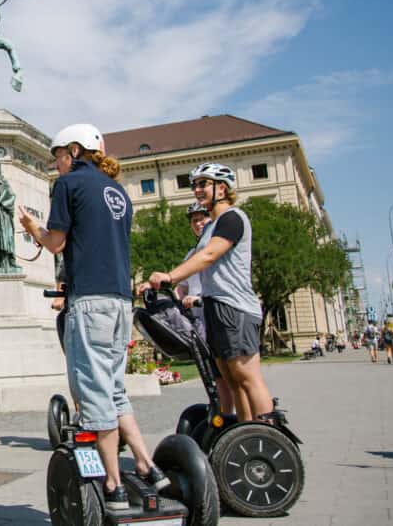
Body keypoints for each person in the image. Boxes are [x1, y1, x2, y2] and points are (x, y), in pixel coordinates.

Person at [19, 123, 169, 511]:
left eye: (57, 157)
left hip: (91, 301)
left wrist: (31, 227)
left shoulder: (69, 185)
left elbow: (56, 243)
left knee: (93, 393)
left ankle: (113, 484)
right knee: (115, 388)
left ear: (73, 151)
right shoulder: (117, 191)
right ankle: (147, 464)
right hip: (120, 301)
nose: (56, 165)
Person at [146, 163, 274, 424]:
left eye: (203, 184)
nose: (197, 189)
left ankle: (270, 433)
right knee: (231, 378)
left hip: (235, 307)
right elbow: (198, 261)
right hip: (215, 306)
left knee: (246, 376)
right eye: (195, 185)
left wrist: (170, 276)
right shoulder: (211, 227)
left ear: (222, 188)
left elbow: (209, 255)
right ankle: (245, 432)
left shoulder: (232, 218)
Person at [176, 202, 235, 414]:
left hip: (215, 313)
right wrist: (174, 297)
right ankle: (221, 414)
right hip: (198, 320)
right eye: (194, 221)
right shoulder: (192, 253)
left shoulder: (217, 246)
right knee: (213, 374)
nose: (199, 223)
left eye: (203, 219)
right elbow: (181, 285)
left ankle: (230, 416)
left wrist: (197, 296)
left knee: (226, 374)